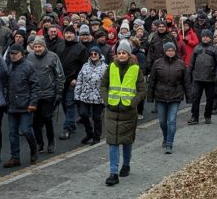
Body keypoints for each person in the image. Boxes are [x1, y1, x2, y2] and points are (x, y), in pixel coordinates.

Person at [101, 40, 145, 186]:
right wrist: (107, 100)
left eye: (124, 53)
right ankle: (113, 173)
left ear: (128, 54)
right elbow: (103, 85)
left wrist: (133, 103)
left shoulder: (135, 69)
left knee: (126, 141)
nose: (121, 55)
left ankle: (126, 164)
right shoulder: (111, 67)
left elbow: (142, 90)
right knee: (112, 142)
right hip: (112, 110)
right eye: (119, 53)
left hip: (128, 111)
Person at [148, 39, 190, 154]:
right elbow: (152, 80)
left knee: (172, 121)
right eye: (168, 50)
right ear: (165, 51)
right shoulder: (158, 63)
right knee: (162, 121)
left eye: (172, 50)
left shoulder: (180, 63)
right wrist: (150, 96)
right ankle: (165, 137)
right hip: (160, 95)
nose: (170, 52)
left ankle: (169, 143)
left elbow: (186, 81)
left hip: (175, 95)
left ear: (175, 51)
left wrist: (189, 96)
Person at [2, 43, 39, 167]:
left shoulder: (29, 66)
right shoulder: (9, 66)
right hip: (12, 104)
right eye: (11, 54)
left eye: (15, 54)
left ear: (22, 54)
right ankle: (15, 157)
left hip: (25, 104)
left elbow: (35, 86)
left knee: (26, 130)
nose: (13, 56)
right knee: (12, 133)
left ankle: (34, 149)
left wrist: (33, 103)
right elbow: (6, 84)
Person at [57, 26, 87, 140]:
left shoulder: (80, 48)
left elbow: (83, 65)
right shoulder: (60, 46)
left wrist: (77, 79)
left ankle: (67, 128)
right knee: (64, 103)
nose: (69, 35)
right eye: (67, 33)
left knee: (69, 103)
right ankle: (72, 124)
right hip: (61, 81)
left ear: (74, 35)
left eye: (71, 33)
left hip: (72, 81)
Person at [74, 44, 107, 144]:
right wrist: (77, 95)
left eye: (95, 53)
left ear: (99, 55)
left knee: (96, 117)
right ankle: (89, 133)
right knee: (83, 114)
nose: (93, 55)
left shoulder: (106, 67)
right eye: (91, 54)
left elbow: (108, 83)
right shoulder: (85, 66)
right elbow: (80, 80)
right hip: (85, 95)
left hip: (98, 96)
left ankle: (97, 136)